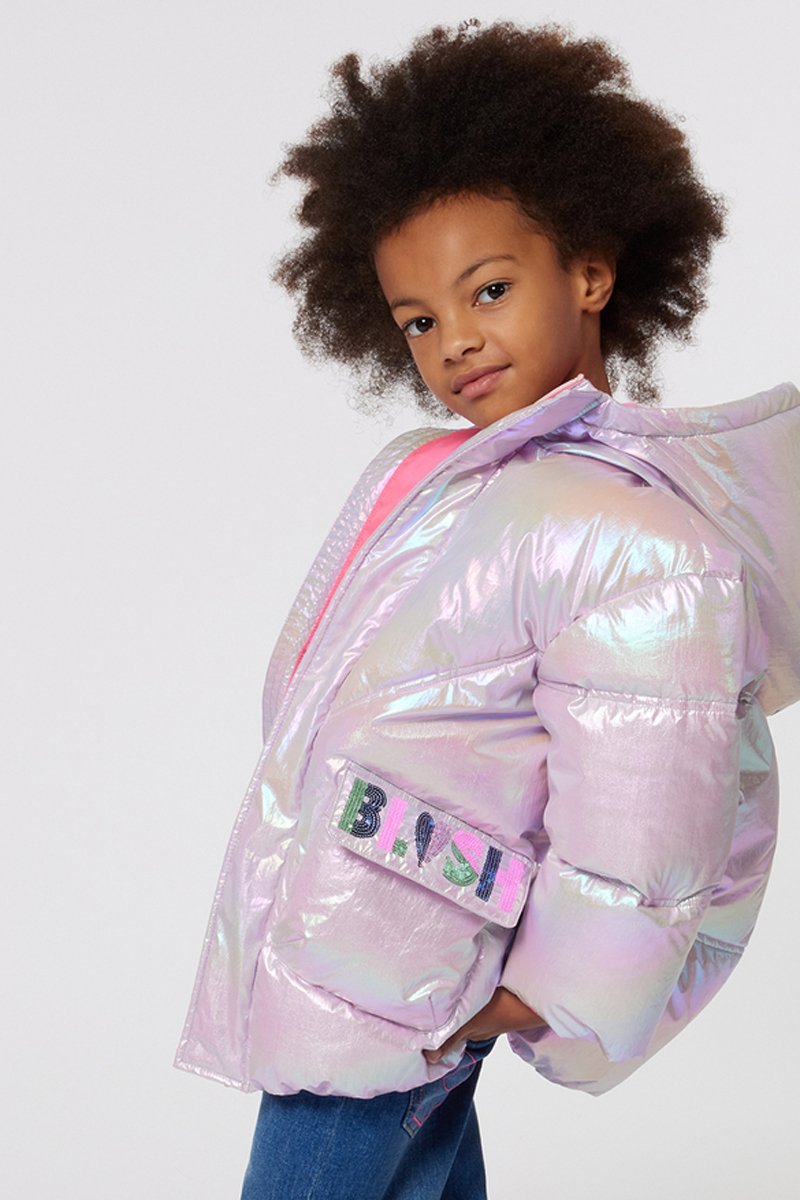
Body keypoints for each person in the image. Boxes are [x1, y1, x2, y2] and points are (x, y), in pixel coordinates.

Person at [173, 20, 800, 1199]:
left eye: (490, 290)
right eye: (417, 319)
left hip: (403, 987)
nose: (454, 340)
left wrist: (554, 995)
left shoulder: (640, 542)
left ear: (589, 273)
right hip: (360, 957)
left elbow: (647, 814)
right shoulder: (440, 480)